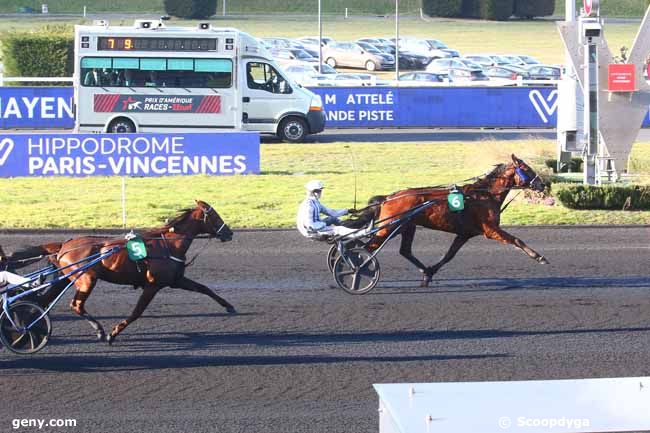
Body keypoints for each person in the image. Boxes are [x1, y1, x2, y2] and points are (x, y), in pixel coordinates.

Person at [296, 180, 369, 239]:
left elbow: (332, 212)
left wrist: (347, 211)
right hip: (311, 231)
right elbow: (310, 225)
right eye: (319, 191)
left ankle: (349, 229)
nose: (321, 193)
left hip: (316, 225)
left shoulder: (315, 203)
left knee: (333, 219)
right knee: (338, 229)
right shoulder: (308, 206)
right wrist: (325, 225)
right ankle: (363, 233)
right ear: (314, 192)